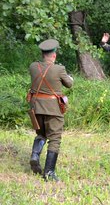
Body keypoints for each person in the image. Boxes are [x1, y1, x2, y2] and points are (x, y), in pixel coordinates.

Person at [28, 39, 73, 182]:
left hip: (36, 107)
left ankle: (35, 156)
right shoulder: (59, 69)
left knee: (41, 133)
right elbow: (69, 84)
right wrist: (69, 77)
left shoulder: (33, 66)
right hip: (53, 109)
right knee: (54, 138)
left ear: (42, 54)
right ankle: (49, 173)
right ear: (54, 55)